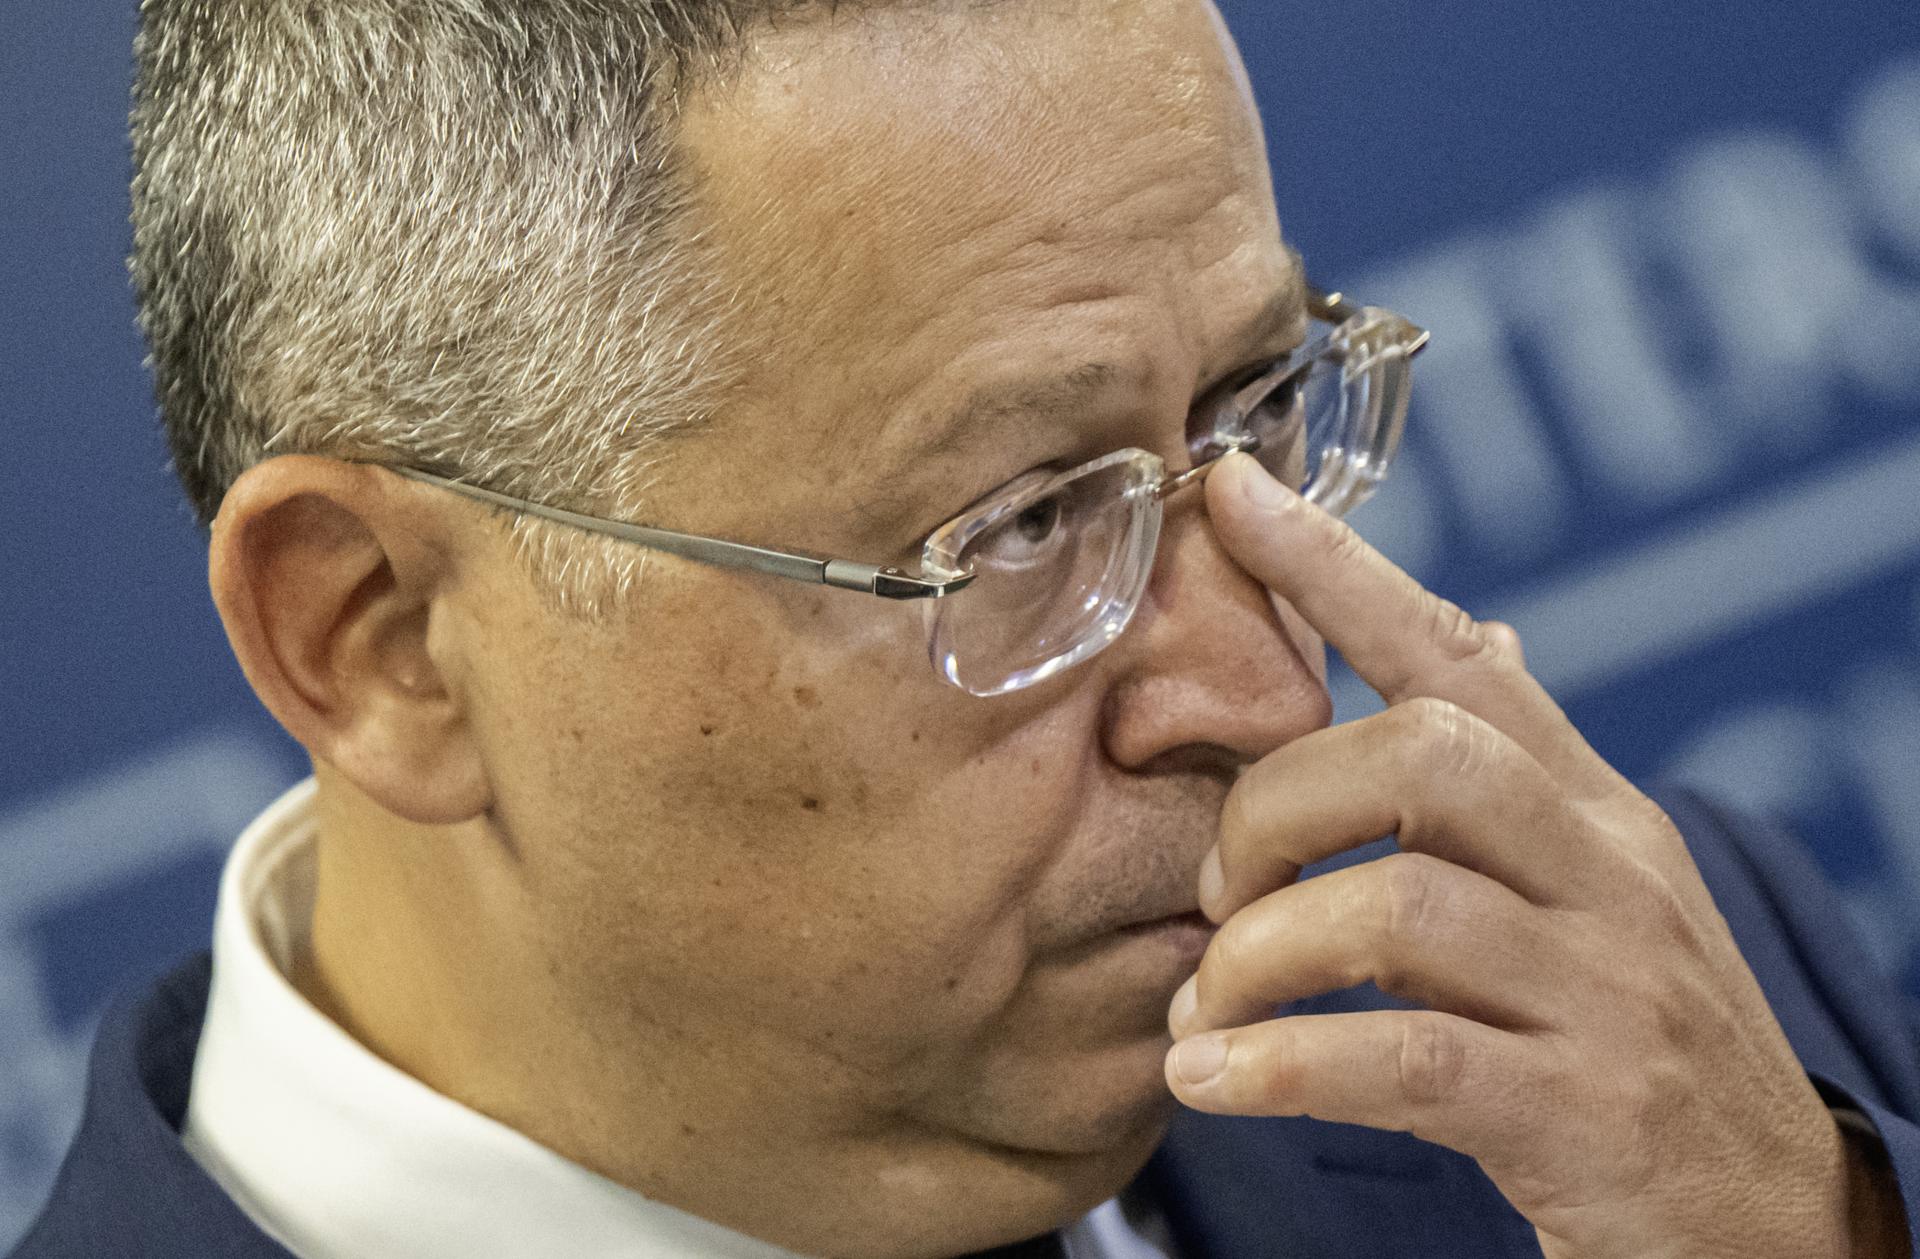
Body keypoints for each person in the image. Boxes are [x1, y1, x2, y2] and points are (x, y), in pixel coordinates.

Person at [15, 1, 1920, 1255]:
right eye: (1019, 526)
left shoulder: (1689, 1069)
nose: (1267, 696)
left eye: (1258, 408)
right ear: (382, 640)